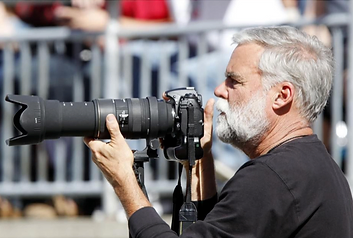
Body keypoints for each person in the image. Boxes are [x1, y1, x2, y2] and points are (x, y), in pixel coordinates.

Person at [84, 26, 353, 237]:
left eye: (234, 81)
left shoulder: (271, 178)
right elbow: (219, 231)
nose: (219, 90)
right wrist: (201, 160)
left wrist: (125, 182)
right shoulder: (312, 166)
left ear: (282, 95)